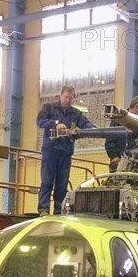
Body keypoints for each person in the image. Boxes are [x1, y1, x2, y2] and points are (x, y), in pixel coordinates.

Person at [37, 85, 94, 216]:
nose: (68, 100)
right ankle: (43, 209)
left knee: (62, 185)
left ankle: (58, 211)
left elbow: (85, 123)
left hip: (65, 153)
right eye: (66, 97)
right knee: (47, 180)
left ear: (73, 98)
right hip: (50, 151)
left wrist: (93, 129)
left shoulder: (75, 113)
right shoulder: (49, 108)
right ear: (61, 95)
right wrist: (55, 124)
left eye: (70, 98)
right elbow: (40, 121)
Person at [105, 96, 138, 172]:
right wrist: (114, 157)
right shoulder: (119, 119)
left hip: (135, 162)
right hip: (120, 161)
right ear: (136, 106)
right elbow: (110, 139)